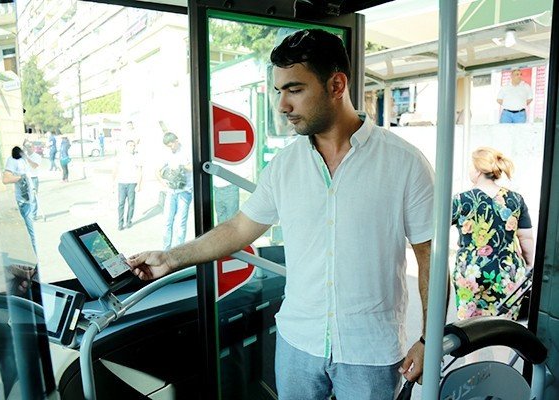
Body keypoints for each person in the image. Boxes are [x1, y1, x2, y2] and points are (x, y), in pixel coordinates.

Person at [129, 29, 434, 399]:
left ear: (336, 85)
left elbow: (429, 258)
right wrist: (170, 258)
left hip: (369, 351)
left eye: (294, 89)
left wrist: (428, 339)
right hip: (297, 344)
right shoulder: (284, 166)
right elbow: (239, 228)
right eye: (278, 91)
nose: (282, 105)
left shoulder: (404, 163)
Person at [451, 147, 534, 321]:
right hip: (509, 271)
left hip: (470, 272)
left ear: (478, 170)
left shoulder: (460, 200)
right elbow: (525, 237)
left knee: (470, 324)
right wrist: (528, 264)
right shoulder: (515, 199)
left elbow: (438, 231)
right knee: (504, 325)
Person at [157, 132, 193, 250]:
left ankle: (178, 250)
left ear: (176, 141)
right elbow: (157, 171)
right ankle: (166, 250)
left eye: (171, 145)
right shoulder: (167, 154)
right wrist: (163, 181)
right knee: (167, 222)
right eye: (168, 146)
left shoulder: (187, 151)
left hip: (184, 192)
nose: (170, 148)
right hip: (170, 192)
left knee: (180, 223)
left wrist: (181, 167)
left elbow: (193, 167)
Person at [2, 146, 37, 254]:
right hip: (24, 200)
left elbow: (35, 166)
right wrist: (22, 177)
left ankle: (38, 258)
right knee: (34, 234)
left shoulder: (25, 159)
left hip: (33, 198)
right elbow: (5, 179)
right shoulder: (12, 160)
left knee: (37, 233)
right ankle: (38, 260)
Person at [113, 140, 143, 230]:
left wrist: (139, 185)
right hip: (122, 183)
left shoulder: (137, 157)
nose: (132, 147)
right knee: (121, 203)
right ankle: (120, 223)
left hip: (132, 183)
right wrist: (113, 183)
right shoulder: (120, 156)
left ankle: (129, 221)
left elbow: (140, 172)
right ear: (126, 146)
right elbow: (115, 169)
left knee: (131, 203)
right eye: (130, 145)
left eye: (133, 145)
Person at [23, 140, 41, 220]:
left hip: (33, 178)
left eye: (30, 146)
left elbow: (34, 166)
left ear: (33, 147)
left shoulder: (37, 156)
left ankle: (33, 215)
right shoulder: (23, 156)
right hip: (24, 178)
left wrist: (27, 159)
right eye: (27, 146)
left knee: (33, 198)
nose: (28, 148)